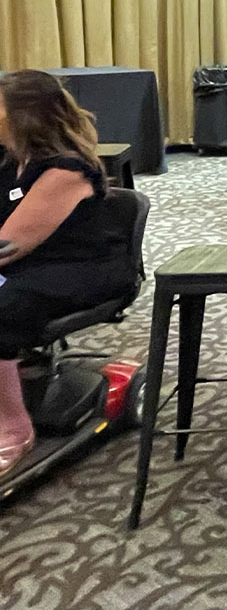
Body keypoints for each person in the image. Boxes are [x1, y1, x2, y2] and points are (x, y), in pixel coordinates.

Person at [0, 70, 130, 478]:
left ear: (24, 116)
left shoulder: (64, 171)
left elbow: (8, 246)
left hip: (81, 268)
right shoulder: (8, 159)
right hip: (32, 265)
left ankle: (13, 428)